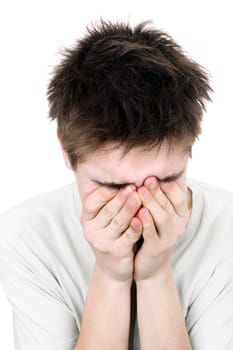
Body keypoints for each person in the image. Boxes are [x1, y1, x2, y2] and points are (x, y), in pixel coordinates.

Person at [0, 19, 233, 350]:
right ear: (67, 152)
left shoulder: (227, 231)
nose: (140, 205)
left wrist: (155, 274)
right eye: (111, 185)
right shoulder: (25, 236)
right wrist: (110, 275)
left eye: (165, 181)